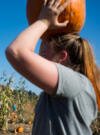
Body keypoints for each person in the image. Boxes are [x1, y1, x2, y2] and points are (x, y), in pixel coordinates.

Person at [5, 0, 100, 134]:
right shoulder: (60, 88)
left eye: (44, 46)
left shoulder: (75, 83)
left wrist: (44, 22)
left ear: (62, 56)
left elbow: (16, 51)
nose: (39, 49)